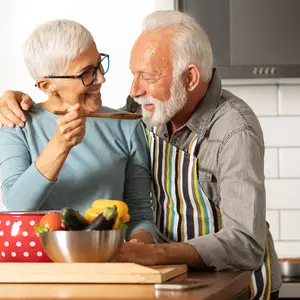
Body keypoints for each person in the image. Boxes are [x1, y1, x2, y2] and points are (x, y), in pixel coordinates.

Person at [0, 11, 281, 299]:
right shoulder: (145, 109)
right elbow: (17, 202)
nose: (133, 90)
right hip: (170, 280)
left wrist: (150, 251)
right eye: (133, 74)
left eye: (146, 77)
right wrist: (13, 99)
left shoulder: (233, 129)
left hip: (236, 285)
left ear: (190, 77)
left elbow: (245, 242)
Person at [0, 19, 156, 244]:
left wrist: (138, 247)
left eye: (99, 64)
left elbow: (140, 214)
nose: (101, 78)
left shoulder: (127, 125)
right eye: (87, 73)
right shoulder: (17, 124)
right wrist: (59, 146)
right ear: (46, 85)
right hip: (40, 269)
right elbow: (17, 207)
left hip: (110, 264)